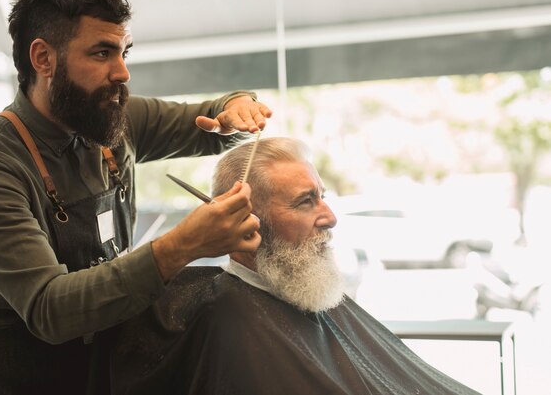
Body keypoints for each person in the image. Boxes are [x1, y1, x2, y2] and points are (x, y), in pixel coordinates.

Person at [0, 0, 272, 394]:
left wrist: (237, 105)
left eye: (123, 51)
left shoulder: (112, 120)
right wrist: (182, 245)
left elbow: (214, 123)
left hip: (119, 373)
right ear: (43, 58)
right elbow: (49, 309)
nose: (122, 72)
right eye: (101, 53)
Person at [110, 137, 481, 395]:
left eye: (323, 197)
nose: (330, 217)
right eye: (306, 202)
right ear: (244, 221)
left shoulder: (306, 297)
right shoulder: (226, 321)